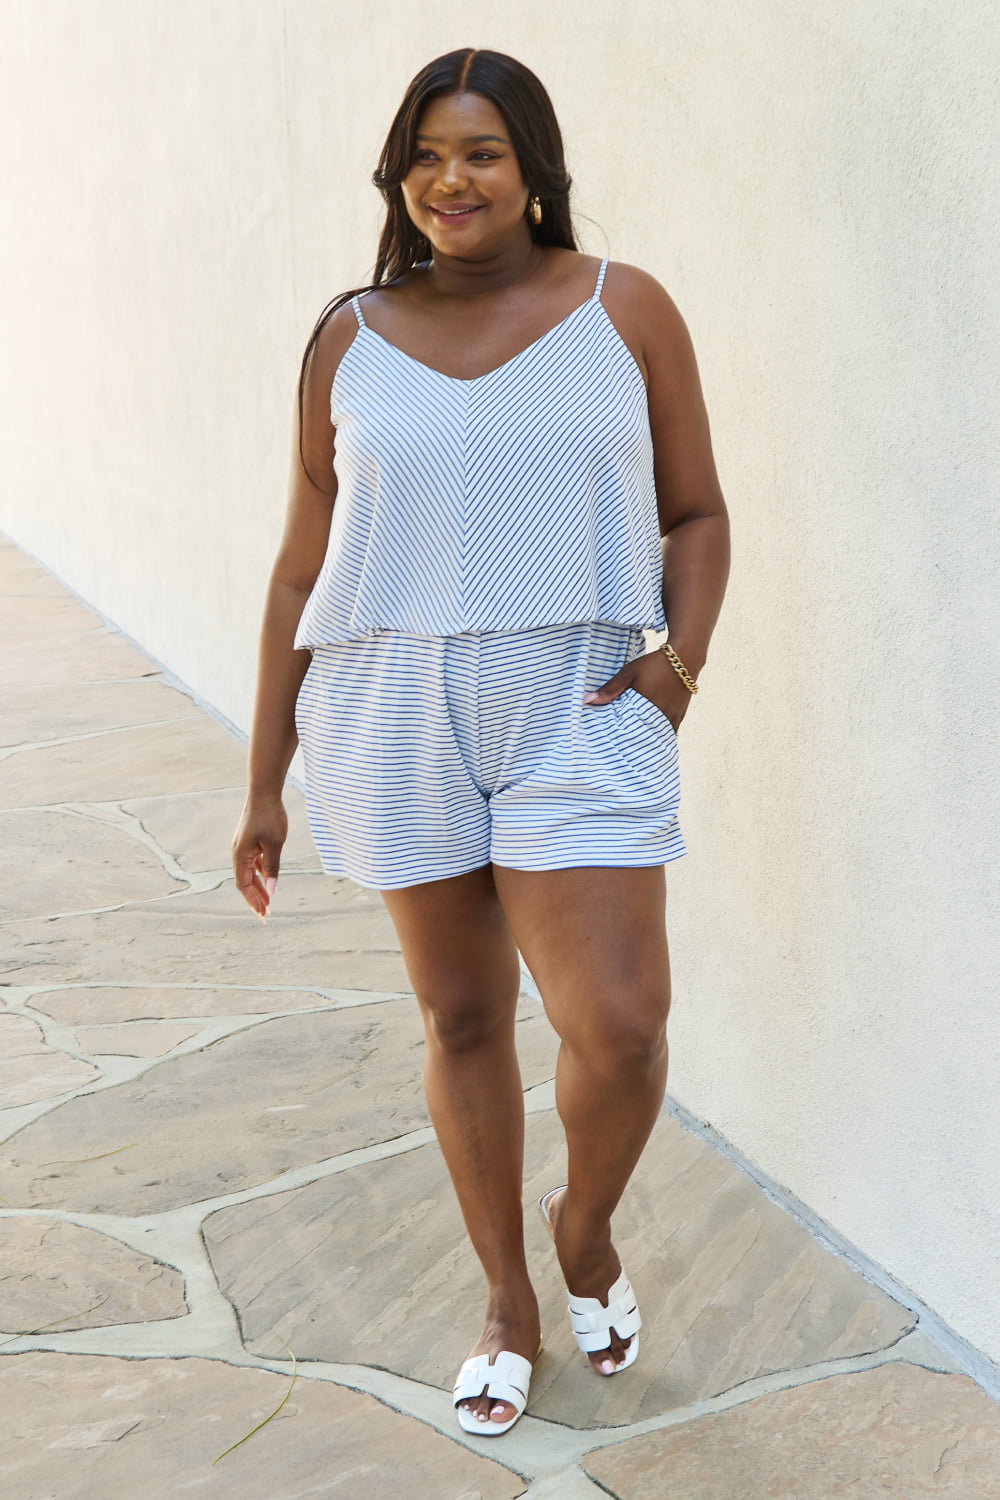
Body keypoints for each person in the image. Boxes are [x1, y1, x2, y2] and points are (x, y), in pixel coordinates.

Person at [232, 46, 730, 1437]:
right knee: (461, 1018)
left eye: (482, 153)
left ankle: (585, 1226)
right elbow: (301, 568)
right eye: (427, 157)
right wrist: (265, 777)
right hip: (391, 703)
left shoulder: (624, 309)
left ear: (534, 171)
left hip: (580, 693)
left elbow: (697, 512)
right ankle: (508, 1303)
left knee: (619, 1026)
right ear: (399, 177)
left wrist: (676, 671)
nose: (451, 181)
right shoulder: (349, 336)